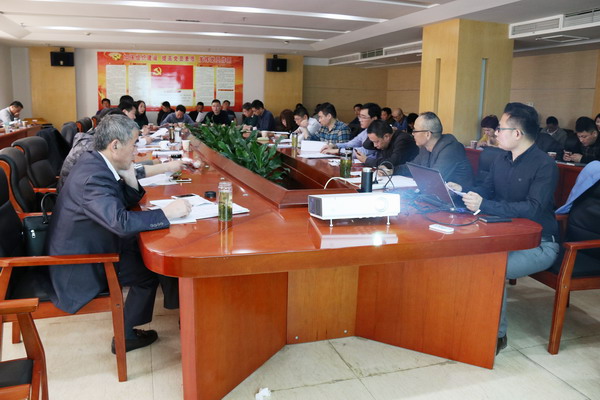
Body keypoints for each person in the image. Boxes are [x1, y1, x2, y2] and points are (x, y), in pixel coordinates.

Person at [48, 114, 191, 353]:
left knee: (147, 252)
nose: (136, 150)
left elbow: (116, 205)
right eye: (133, 144)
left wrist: (131, 180)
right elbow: (121, 222)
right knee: (147, 272)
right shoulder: (93, 178)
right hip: (80, 262)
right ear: (115, 145)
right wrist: (167, 213)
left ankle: (176, 310)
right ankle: (126, 336)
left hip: (92, 241)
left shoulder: (95, 161)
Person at [447, 102, 560, 354]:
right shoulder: (501, 158)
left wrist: (485, 204)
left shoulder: (544, 165)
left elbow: (533, 209)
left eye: (500, 128)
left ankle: (496, 335)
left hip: (539, 244)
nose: (496, 133)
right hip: (505, 234)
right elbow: (487, 189)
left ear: (517, 133)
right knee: (464, 255)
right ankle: (468, 317)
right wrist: (464, 191)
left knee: (490, 266)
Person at [409, 111, 473, 188]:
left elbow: (434, 179)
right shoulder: (425, 148)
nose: (413, 133)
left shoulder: (451, 149)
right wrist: (395, 169)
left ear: (427, 134)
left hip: (460, 194)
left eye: (415, 130)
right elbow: (412, 167)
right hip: (435, 192)